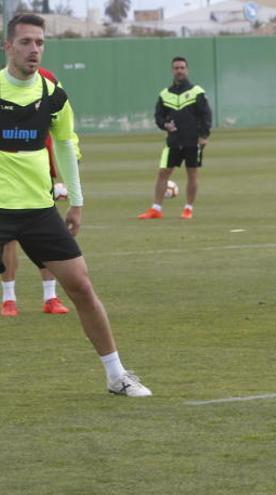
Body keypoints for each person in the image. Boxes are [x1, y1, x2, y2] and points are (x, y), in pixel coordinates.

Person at [0, 14, 151, 396]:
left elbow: (66, 144)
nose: (34, 49)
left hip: (38, 211)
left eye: (40, 42)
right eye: (26, 42)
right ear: (8, 47)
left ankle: (117, 376)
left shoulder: (52, 90)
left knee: (81, 286)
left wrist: (77, 202)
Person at [1, 66, 72, 317]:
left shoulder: (49, 81)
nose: (32, 48)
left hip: (41, 172)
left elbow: (64, 131)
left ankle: (50, 297)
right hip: (6, 174)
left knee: (46, 240)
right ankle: (8, 299)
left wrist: (64, 174)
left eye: (37, 42)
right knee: (8, 240)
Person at [138, 56, 211, 220]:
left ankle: (188, 209)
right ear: (172, 70)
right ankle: (156, 209)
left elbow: (206, 114)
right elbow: (158, 116)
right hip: (173, 141)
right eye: (176, 68)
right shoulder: (165, 94)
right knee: (163, 172)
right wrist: (165, 124)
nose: (179, 71)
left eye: (182, 68)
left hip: (193, 140)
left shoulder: (196, 92)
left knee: (192, 174)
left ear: (187, 70)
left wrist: (204, 135)